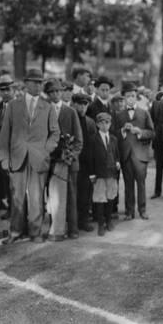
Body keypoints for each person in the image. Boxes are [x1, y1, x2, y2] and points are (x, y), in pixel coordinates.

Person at [0, 68, 60, 244]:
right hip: (17, 158)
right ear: (26, 83)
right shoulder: (13, 106)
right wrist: (4, 158)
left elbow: (55, 133)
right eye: (35, 82)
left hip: (38, 158)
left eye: (40, 82)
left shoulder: (47, 107)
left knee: (36, 197)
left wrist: (45, 150)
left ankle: (35, 232)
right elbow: (4, 135)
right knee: (17, 197)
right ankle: (15, 232)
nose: (39, 85)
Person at [44, 80, 83, 241]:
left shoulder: (70, 112)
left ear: (62, 92)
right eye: (51, 92)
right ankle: (56, 228)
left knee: (71, 195)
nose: (54, 95)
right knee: (52, 195)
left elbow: (79, 140)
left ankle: (73, 230)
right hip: (49, 160)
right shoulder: (43, 111)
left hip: (67, 161)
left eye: (57, 91)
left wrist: (69, 156)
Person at [114, 81, 155, 220]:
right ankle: (129, 211)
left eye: (132, 95)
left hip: (140, 155)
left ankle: (142, 210)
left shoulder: (144, 113)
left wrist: (140, 132)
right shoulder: (119, 115)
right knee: (128, 184)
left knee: (141, 184)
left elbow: (152, 132)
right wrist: (122, 131)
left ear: (136, 96)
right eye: (127, 96)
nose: (130, 98)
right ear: (124, 98)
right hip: (126, 155)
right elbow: (114, 135)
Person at [88, 112, 121, 236]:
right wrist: (92, 174)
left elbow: (117, 154)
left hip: (111, 173)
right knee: (100, 199)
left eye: (107, 122)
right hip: (99, 174)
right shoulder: (93, 139)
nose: (104, 125)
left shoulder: (113, 139)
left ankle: (108, 221)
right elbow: (90, 158)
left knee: (110, 197)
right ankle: (100, 224)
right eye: (101, 123)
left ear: (110, 124)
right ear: (97, 124)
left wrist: (117, 162)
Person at [73, 93, 97, 233]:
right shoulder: (71, 117)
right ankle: (73, 221)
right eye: (80, 104)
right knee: (73, 193)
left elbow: (94, 143)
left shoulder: (90, 122)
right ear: (74, 104)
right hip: (74, 160)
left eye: (85, 104)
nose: (82, 107)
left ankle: (84, 220)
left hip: (87, 162)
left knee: (86, 193)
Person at [0, 74, 15, 217]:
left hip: (15, 150)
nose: (5, 93)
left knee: (15, 181)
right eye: (2, 90)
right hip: (0, 151)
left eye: (7, 89)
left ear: (13, 89)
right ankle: (9, 207)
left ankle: (16, 210)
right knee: (5, 180)